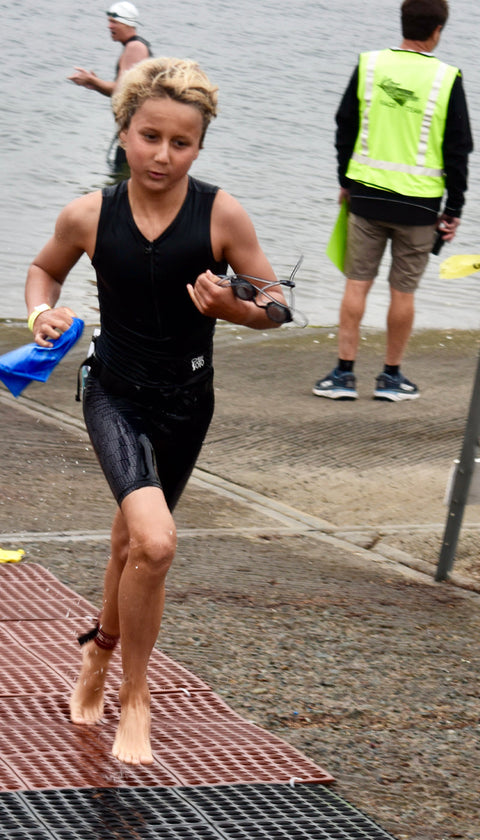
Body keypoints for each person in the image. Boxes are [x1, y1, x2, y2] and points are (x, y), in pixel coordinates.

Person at [25, 57, 291, 765]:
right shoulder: (90, 213)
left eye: (182, 143)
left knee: (132, 547)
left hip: (188, 403)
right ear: (124, 131)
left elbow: (277, 304)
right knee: (158, 542)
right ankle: (135, 699)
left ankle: (96, 651)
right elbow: (44, 269)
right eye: (149, 137)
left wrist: (237, 308)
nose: (163, 155)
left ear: (199, 146)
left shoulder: (221, 213)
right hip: (114, 393)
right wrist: (42, 311)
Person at [313, 0, 472, 402]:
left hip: (366, 197)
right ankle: (390, 378)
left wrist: (346, 181)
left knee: (356, 285)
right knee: (403, 293)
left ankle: (343, 376)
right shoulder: (447, 77)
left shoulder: (369, 64)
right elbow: (458, 149)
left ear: (403, 22)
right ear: (437, 30)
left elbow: (343, 124)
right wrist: (454, 209)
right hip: (419, 206)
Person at [68, 2, 152, 172]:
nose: (109, 26)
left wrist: (91, 80)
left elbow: (121, 91)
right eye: (109, 21)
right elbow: (123, 91)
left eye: (113, 22)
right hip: (131, 130)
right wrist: (94, 83)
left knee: (122, 181)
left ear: (127, 23)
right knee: (119, 180)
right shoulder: (132, 47)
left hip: (135, 132)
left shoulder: (135, 47)